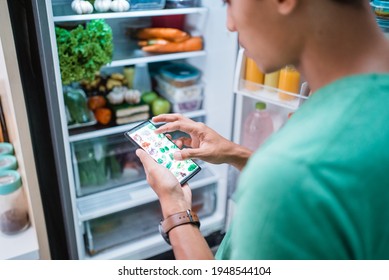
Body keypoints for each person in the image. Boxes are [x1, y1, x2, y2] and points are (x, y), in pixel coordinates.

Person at [136, 0, 389, 259]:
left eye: (230, 3)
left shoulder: (292, 169)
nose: (230, 25)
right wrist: (236, 153)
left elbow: (299, 178)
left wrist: (175, 208)